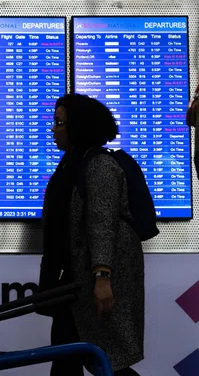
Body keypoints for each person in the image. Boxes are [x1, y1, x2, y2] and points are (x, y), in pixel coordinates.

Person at [39, 94, 144, 376]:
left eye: (59, 122)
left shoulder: (98, 166)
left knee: (106, 360)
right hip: (74, 281)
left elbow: (102, 222)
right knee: (73, 357)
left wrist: (102, 277)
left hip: (94, 280)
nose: (53, 129)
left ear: (78, 126)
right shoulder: (73, 163)